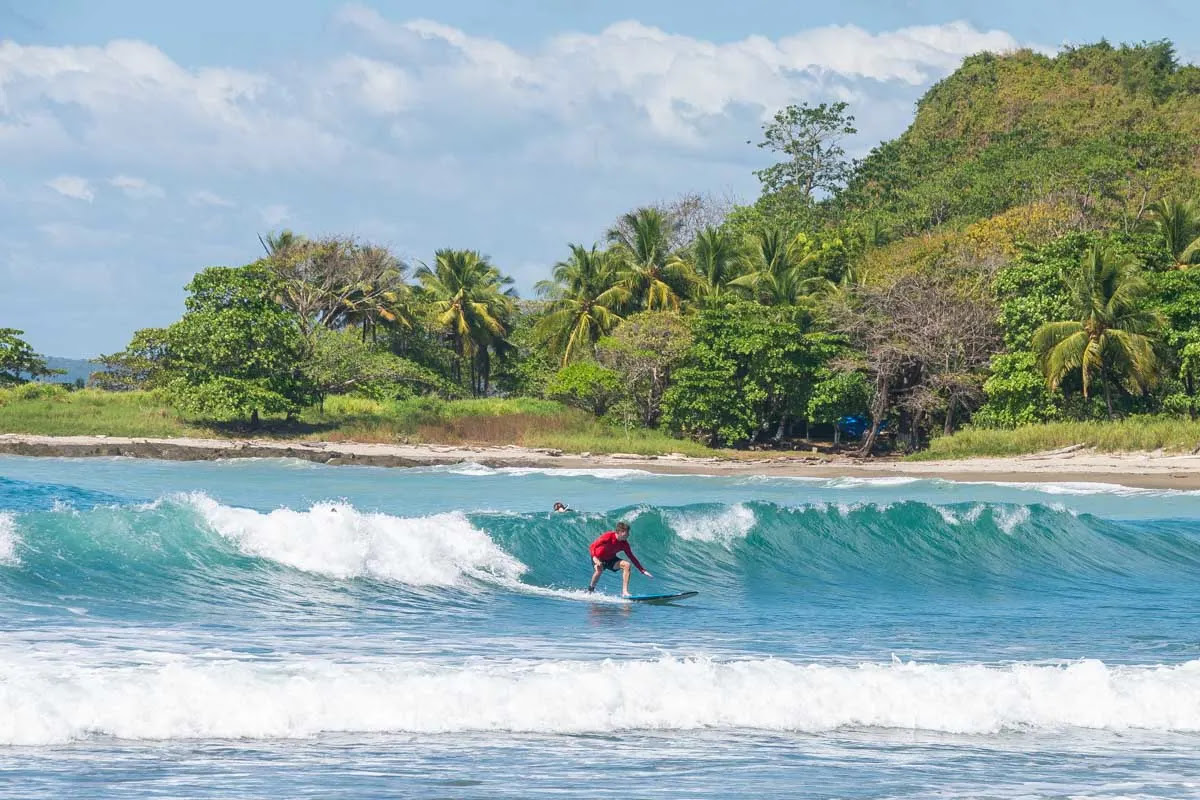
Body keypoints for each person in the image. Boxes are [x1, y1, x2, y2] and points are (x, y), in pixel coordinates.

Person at [587, 521, 652, 596]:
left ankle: (625, 591)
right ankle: (591, 589)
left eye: (628, 532)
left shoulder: (624, 544)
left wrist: (642, 570)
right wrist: (595, 557)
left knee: (627, 565)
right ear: (620, 532)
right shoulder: (608, 536)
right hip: (598, 557)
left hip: (611, 559)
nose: (628, 535)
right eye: (626, 533)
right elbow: (592, 546)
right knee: (599, 570)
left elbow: (631, 557)